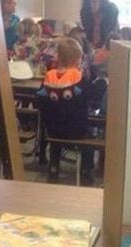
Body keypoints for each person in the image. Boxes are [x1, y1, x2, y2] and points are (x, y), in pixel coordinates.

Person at [37, 37, 95, 185]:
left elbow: (39, 98)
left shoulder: (48, 77)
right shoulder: (80, 78)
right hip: (77, 129)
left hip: (53, 129)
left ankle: (54, 168)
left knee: (56, 143)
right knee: (90, 140)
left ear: (59, 57)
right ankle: (85, 171)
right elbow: (89, 99)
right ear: (78, 59)